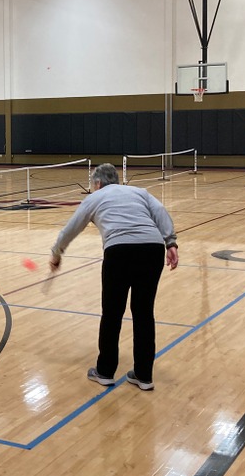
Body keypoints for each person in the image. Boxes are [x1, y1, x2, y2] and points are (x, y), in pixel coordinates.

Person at [49, 163, 179, 391]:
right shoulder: (139, 192)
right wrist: (171, 242)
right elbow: (160, 212)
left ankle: (105, 371)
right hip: (151, 250)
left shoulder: (95, 197)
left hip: (118, 252)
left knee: (112, 313)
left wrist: (56, 254)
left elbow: (71, 228)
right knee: (144, 313)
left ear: (98, 183)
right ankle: (144, 375)